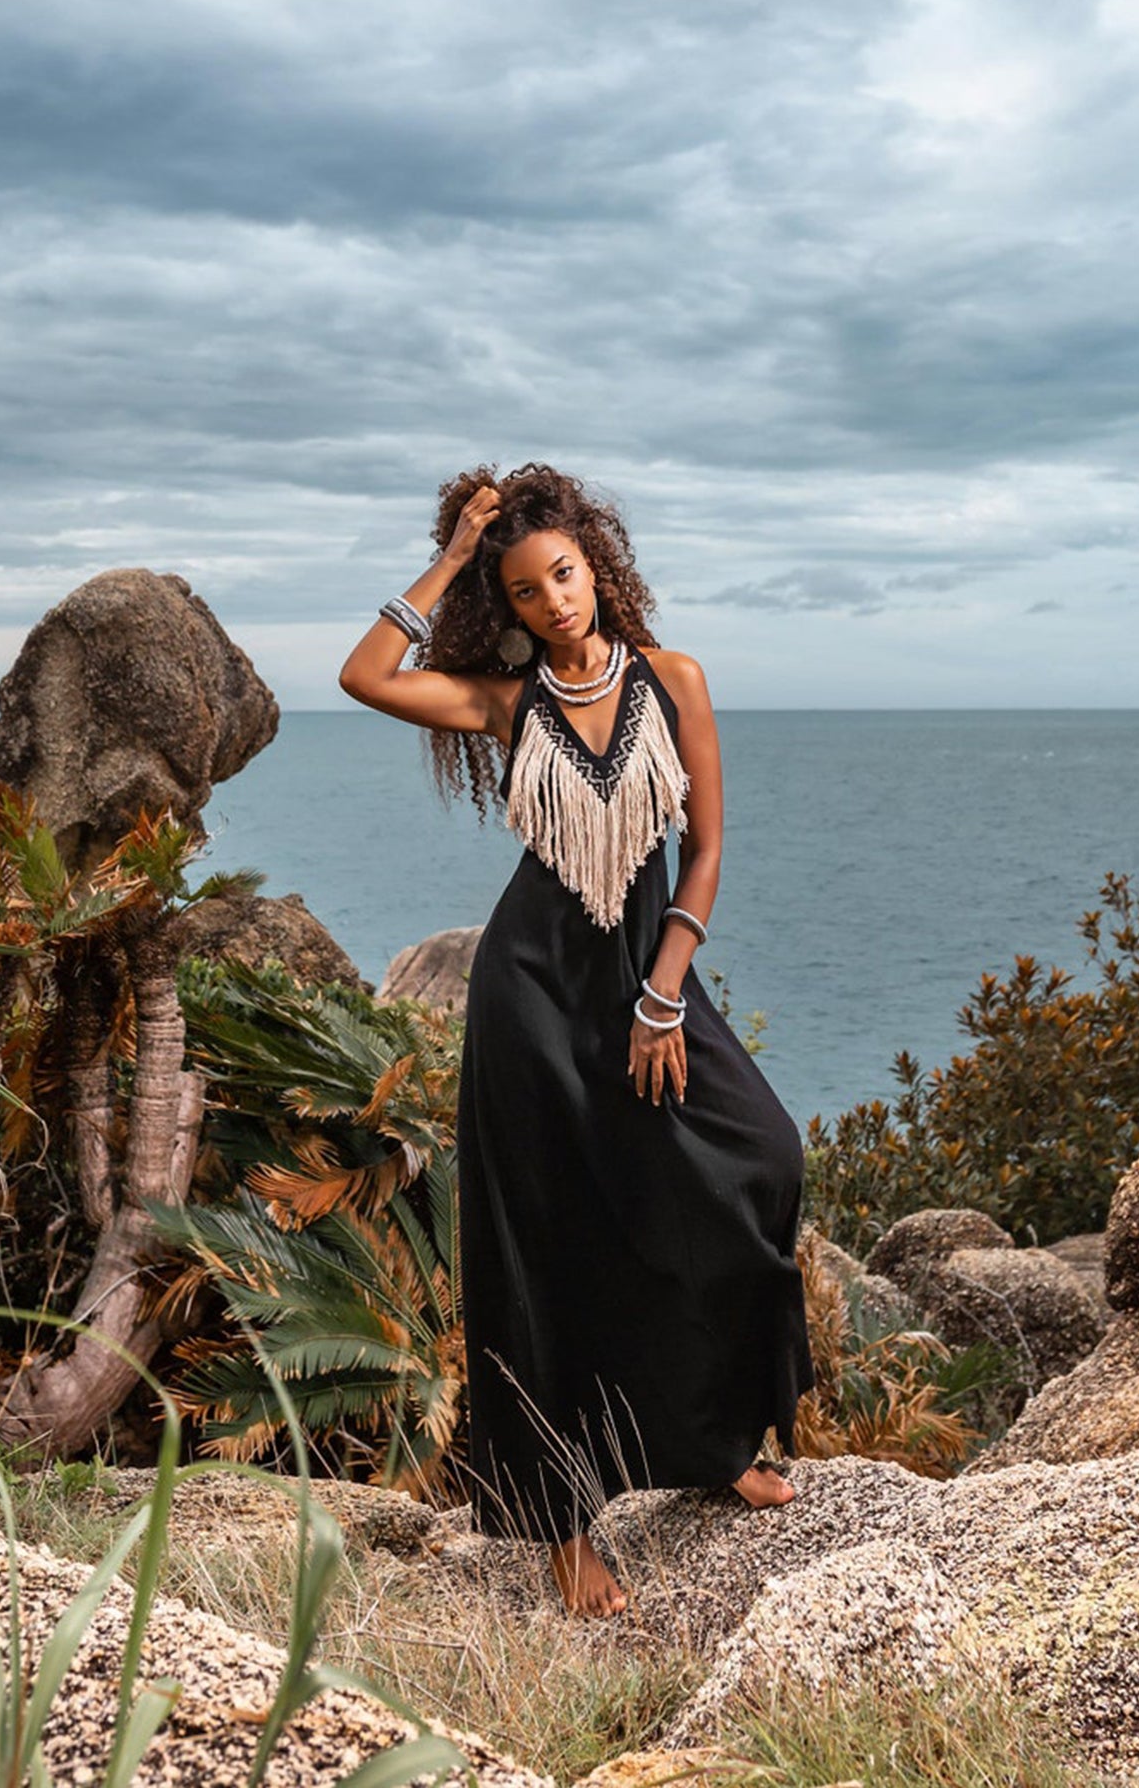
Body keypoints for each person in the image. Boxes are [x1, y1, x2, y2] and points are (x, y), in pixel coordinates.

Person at [339, 462, 815, 1618]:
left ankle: (708, 1438)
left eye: (565, 573)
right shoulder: (507, 703)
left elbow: (701, 851)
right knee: (542, 1251)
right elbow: (364, 675)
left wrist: (664, 992)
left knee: (759, 1158)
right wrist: (453, 554)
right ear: (505, 605)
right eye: (526, 588)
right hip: (533, 997)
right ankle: (558, 1528)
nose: (555, 600)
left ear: (596, 566)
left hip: (643, 985)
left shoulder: (675, 679)